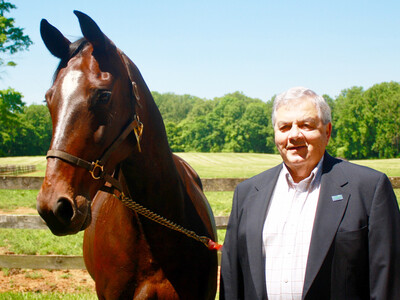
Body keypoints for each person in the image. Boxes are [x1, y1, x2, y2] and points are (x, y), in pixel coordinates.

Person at [220, 87, 400, 299]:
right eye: (285, 127)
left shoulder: (369, 188)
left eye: (306, 125)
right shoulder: (247, 193)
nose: (294, 135)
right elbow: (232, 279)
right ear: (276, 134)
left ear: (327, 132)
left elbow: (387, 280)